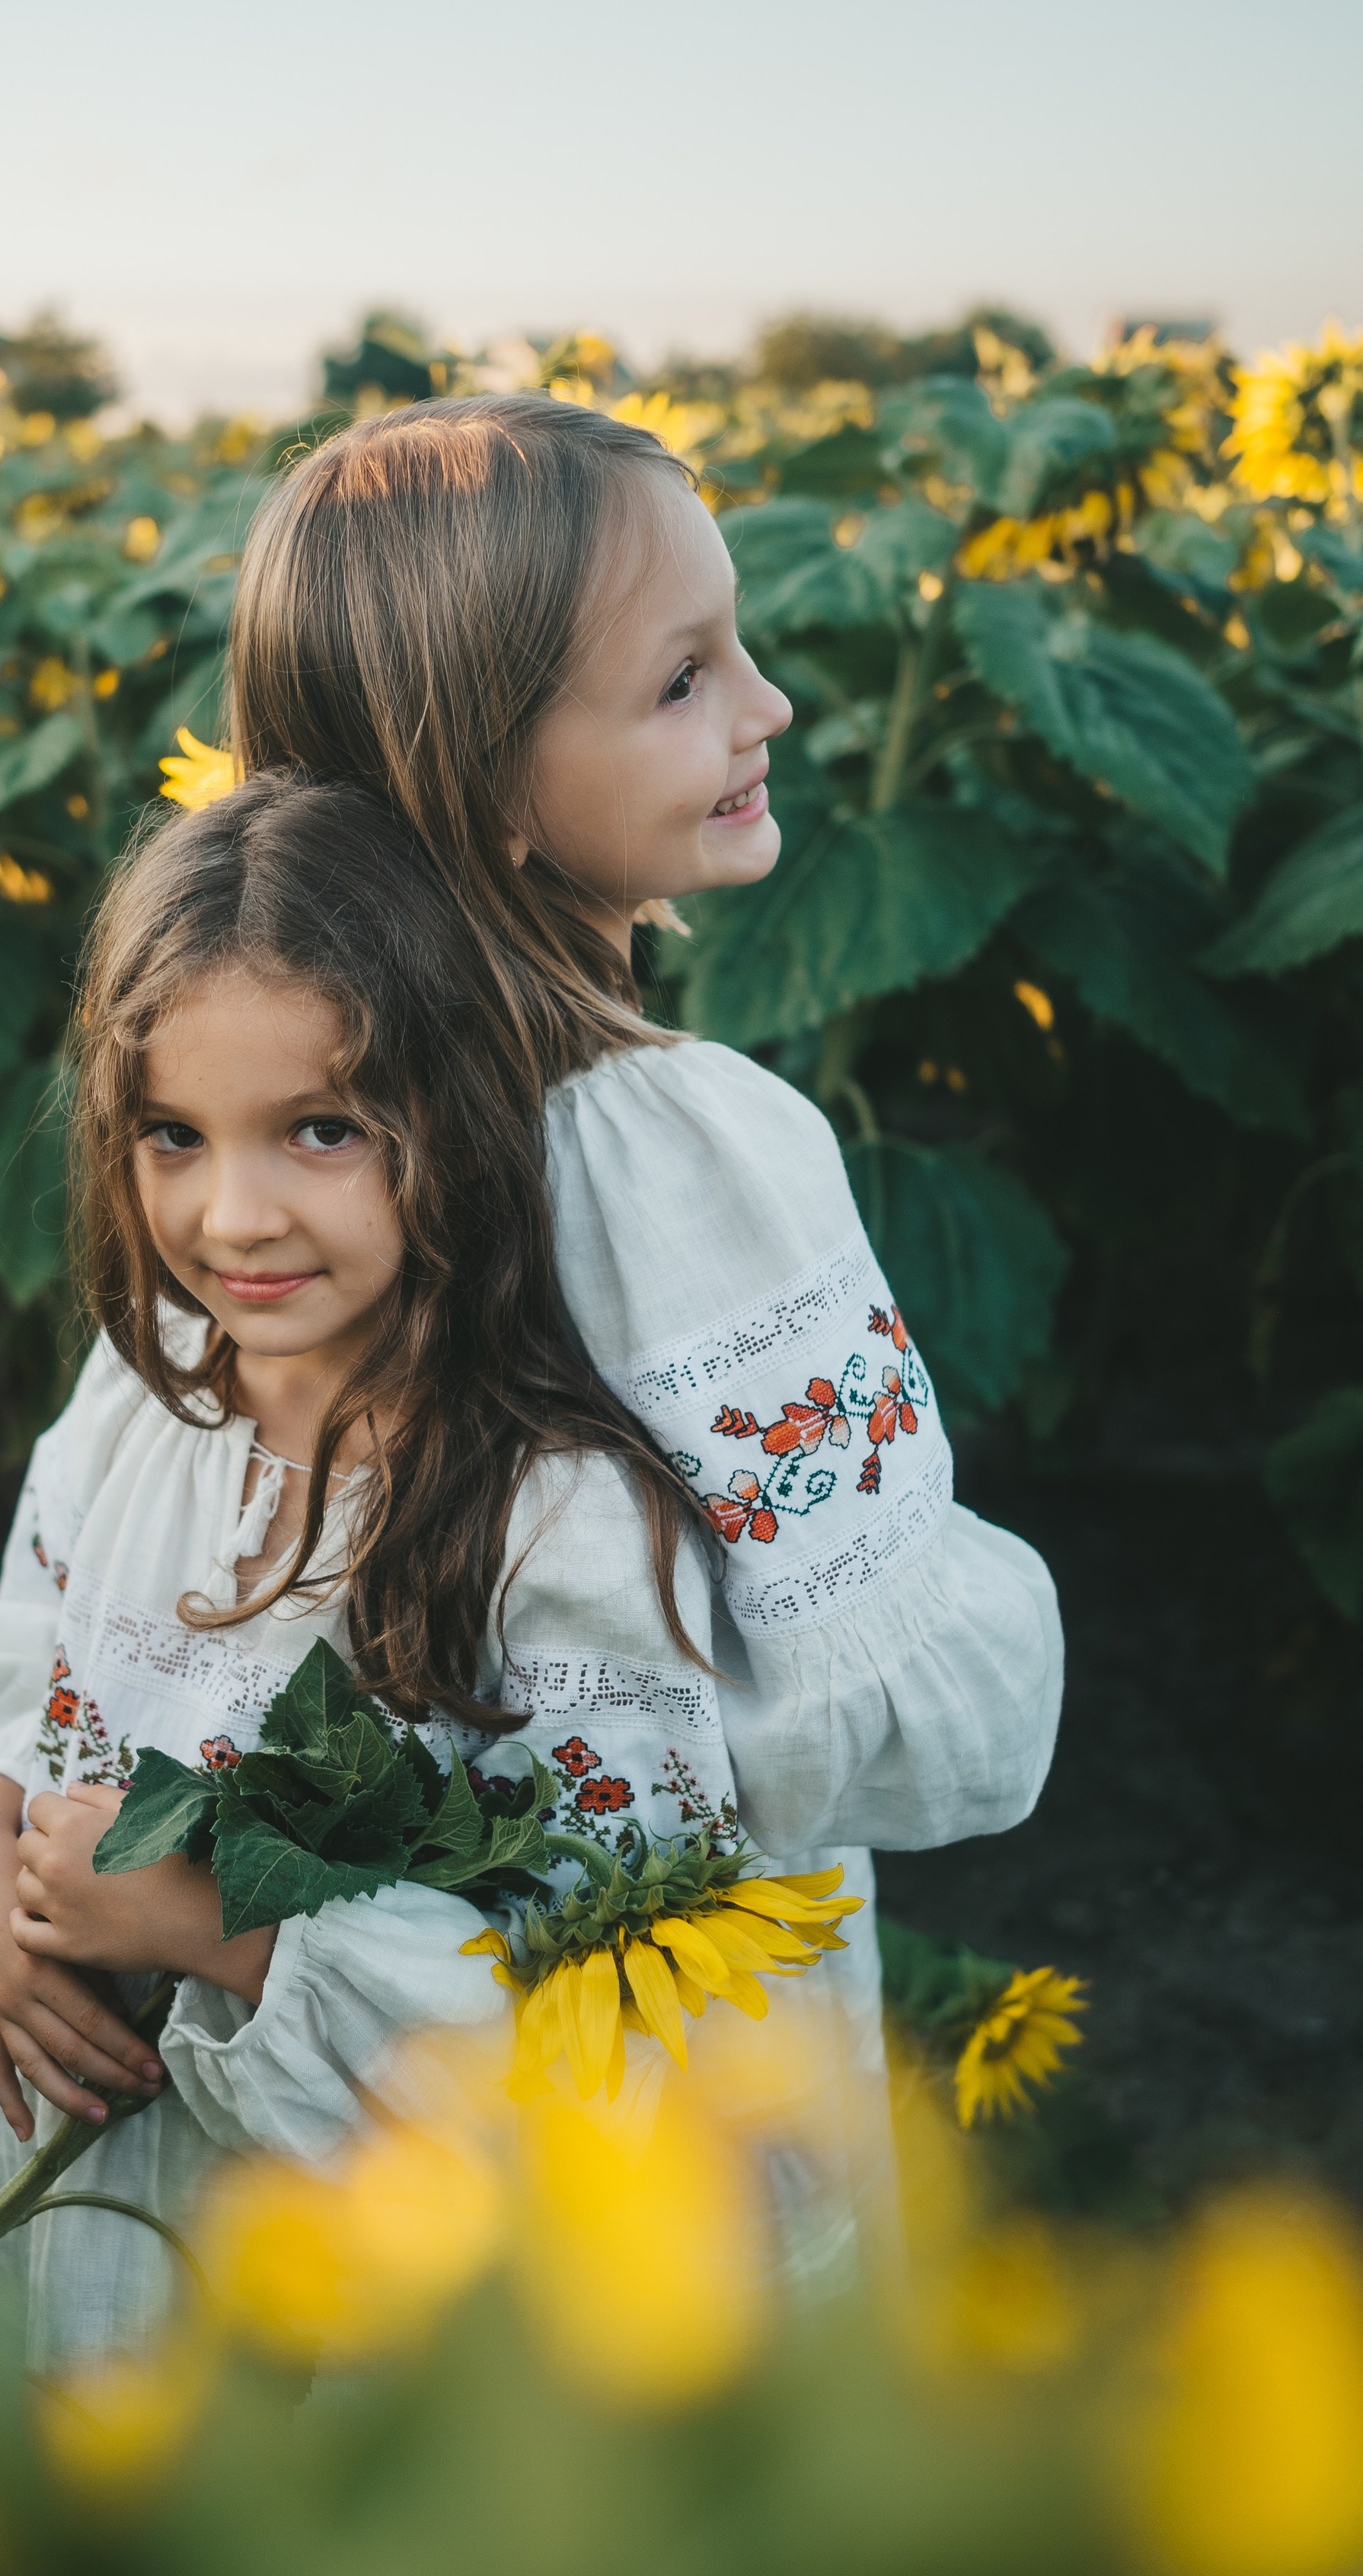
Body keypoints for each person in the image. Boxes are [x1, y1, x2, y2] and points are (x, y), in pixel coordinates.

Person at [0, 776, 771, 2368]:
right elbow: (28, 1647)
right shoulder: (148, 1393)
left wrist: (228, 1933)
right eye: (170, 1135)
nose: (230, 1215)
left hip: (358, 2323)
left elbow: (611, 2021)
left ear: (458, 1115)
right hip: (104, 2242)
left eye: (322, 1129)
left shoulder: (550, 1516)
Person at [228, 392, 1062, 1869]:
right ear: (488, 783)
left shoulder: (238, 1152)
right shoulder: (686, 1154)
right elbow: (926, 1726)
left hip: (262, 1961)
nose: (768, 707)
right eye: (683, 679)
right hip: (630, 2000)